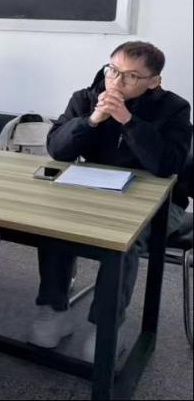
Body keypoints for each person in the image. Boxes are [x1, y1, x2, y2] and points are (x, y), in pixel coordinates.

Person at [29, 41, 193, 362]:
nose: (116, 81)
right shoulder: (85, 97)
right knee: (54, 225)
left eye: (131, 76)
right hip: (94, 192)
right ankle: (53, 310)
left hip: (163, 202)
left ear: (154, 81)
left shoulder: (174, 108)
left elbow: (167, 165)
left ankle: (104, 326)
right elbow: (57, 151)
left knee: (124, 242)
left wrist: (128, 121)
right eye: (112, 70)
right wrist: (91, 120)